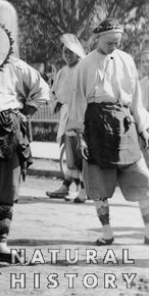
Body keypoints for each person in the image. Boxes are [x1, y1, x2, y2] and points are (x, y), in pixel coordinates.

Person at [67, 19, 149, 246]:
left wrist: (142, 128)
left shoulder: (126, 60)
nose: (115, 46)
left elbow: (136, 98)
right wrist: (80, 137)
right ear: (98, 39)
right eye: (110, 42)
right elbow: (78, 101)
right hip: (95, 127)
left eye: (118, 42)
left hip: (124, 125)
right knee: (98, 184)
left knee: (143, 180)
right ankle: (107, 233)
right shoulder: (85, 65)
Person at [0, 0, 50, 264]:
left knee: (7, 184)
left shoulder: (15, 66)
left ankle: (1, 244)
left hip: (7, 125)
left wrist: (25, 112)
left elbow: (43, 91)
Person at [46, 34, 89, 202]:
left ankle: (84, 189)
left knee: (82, 152)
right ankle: (71, 187)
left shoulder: (84, 68)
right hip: (66, 116)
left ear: (77, 52)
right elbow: (53, 93)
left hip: (81, 116)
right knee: (70, 154)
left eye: (71, 52)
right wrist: (56, 103)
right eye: (65, 52)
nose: (68, 55)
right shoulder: (62, 72)